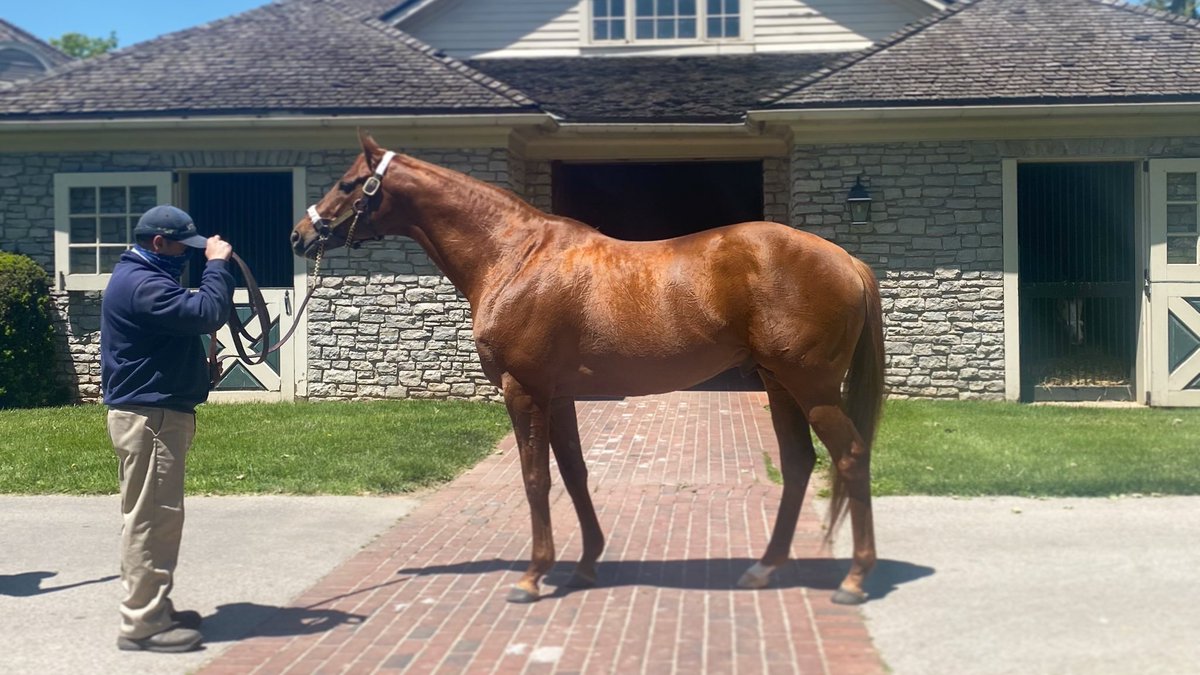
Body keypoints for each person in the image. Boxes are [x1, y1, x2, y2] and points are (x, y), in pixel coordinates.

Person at [100, 205, 234, 653]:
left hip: (153, 415)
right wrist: (217, 265)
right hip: (150, 419)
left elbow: (185, 321)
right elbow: (207, 312)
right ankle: (143, 624)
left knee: (156, 518)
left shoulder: (142, 276)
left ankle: (155, 607)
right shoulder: (143, 284)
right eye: (183, 248)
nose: (187, 256)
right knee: (151, 521)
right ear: (158, 242)